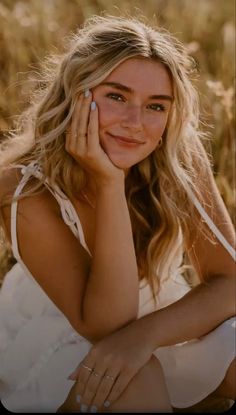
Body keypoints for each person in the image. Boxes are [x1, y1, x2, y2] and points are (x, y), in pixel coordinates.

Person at [0, 14, 235, 413]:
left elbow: (230, 280)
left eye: (155, 106)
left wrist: (145, 336)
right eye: (116, 96)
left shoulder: (175, 150)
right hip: (62, 333)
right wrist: (109, 183)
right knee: (131, 381)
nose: (135, 124)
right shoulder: (23, 188)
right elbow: (106, 325)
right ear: (76, 95)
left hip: (159, 318)